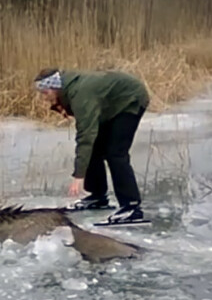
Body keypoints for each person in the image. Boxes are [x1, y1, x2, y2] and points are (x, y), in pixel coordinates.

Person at [34, 67, 149, 224]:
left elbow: (85, 136)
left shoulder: (80, 95)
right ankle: (98, 197)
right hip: (111, 106)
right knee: (95, 148)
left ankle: (131, 207)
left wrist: (78, 176)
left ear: (55, 87)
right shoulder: (67, 89)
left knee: (115, 153)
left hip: (130, 99)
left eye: (45, 93)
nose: (44, 98)